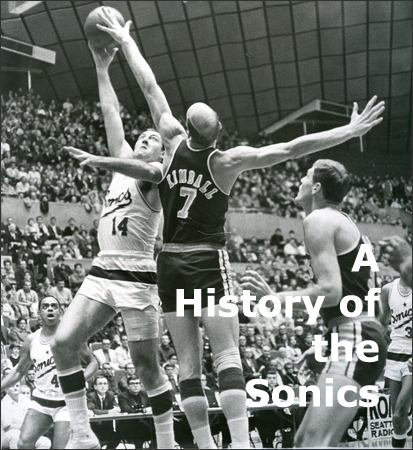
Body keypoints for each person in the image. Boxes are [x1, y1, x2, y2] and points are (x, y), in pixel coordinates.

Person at [68, 10, 385, 449]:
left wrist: (127, 43)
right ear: (216, 134)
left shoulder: (172, 139)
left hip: (171, 260)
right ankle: (238, 442)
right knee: (228, 355)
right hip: (205, 259)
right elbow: (292, 147)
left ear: (188, 129)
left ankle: (203, 443)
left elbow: (149, 86)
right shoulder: (226, 162)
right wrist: (346, 132)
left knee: (188, 366)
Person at [51, 41, 175, 449]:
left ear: (161, 150)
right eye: (140, 136)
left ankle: (167, 440)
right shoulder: (123, 164)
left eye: (152, 137)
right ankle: (83, 432)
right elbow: (111, 114)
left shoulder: (155, 173)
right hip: (104, 267)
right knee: (64, 342)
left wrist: (100, 161)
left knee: (147, 368)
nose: (144, 138)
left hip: (138, 274)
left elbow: (149, 168)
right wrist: (102, 68)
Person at [241, 159, 388, 447]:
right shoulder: (345, 224)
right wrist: (325, 344)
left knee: (313, 442)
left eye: (306, 176)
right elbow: (368, 303)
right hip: (357, 336)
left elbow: (331, 292)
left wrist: (274, 299)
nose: (300, 181)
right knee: (304, 441)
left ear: (317, 187)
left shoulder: (319, 219)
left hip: (355, 339)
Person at [1, 296, 98, 449]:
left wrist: (81, 379)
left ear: (60, 311)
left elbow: (93, 363)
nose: (50, 309)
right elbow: (19, 371)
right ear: (39, 312)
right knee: (23, 443)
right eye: (45, 306)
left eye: (54, 306)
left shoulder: (71, 336)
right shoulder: (31, 340)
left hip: (66, 403)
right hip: (41, 401)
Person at [380, 276, 412, 448]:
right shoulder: (387, 290)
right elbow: (382, 324)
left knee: (400, 409)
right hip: (394, 355)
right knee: (397, 419)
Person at [1, 382, 51, 449]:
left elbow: (34, 416)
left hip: (26, 432)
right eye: (12, 386)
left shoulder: (26, 400)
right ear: (6, 390)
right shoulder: (4, 403)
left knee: (45, 442)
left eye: (17, 386)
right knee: (16, 436)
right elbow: (8, 427)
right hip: (7, 435)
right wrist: (27, 428)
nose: (15, 388)